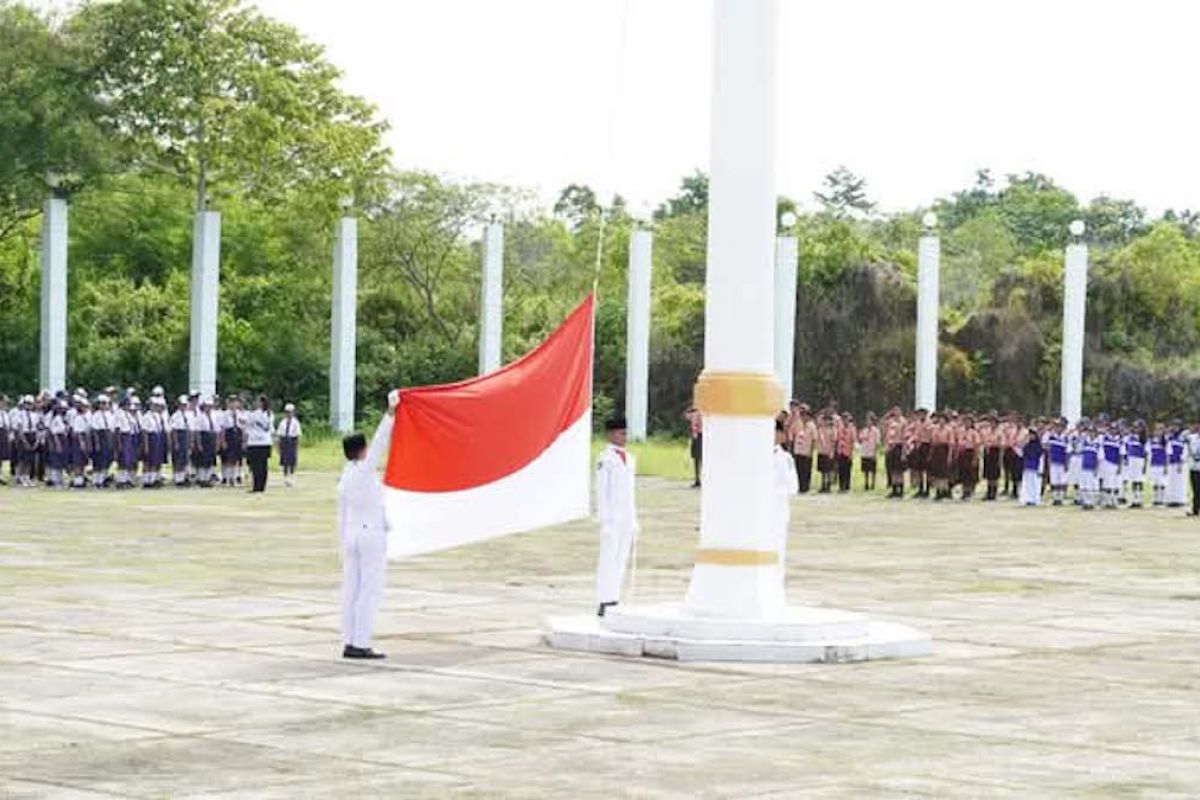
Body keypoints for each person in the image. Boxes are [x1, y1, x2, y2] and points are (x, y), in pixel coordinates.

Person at [337, 390, 399, 660]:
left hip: (351, 536)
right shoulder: (363, 471)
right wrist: (391, 413)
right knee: (369, 590)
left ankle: (350, 640)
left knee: (351, 589)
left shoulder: (345, 476)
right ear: (360, 451)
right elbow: (380, 442)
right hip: (369, 535)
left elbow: (341, 515)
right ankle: (361, 642)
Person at [595, 415, 638, 617]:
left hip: (626, 516)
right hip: (611, 518)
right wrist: (604, 520)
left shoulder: (629, 458)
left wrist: (635, 518)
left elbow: (630, 492)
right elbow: (601, 492)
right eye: (621, 433)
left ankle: (615, 597)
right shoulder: (605, 459)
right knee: (608, 560)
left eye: (626, 433)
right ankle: (605, 599)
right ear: (611, 434)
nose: (625, 437)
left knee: (621, 558)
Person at [773, 418, 799, 577]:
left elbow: (793, 487)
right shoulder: (754, 457)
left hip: (778, 509)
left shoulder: (786, 458)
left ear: (781, 435)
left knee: (778, 548)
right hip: (758, 511)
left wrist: (775, 492)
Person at [245, 395, 274, 493]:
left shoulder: (255, 414)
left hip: (255, 442)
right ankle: (262, 486)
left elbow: (245, 422)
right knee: (263, 465)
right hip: (265, 442)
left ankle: (257, 486)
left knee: (256, 466)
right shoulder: (270, 414)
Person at [90, 394, 116, 489]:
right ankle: (96, 480)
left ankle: (103, 479)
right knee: (98, 461)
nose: (104, 405)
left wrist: (112, 441)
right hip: (100, 437)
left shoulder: (110, 415)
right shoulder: (96, 415)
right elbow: (94, 430)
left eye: (106, 403)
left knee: (107, 459)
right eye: (102, 403)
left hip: (108, 437)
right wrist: (97, 443)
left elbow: (112, 429)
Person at [220, 396, 245, 487]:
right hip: (229, 435)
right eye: (232, 402)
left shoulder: (240, 414)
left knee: (237, 458)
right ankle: (228, 478)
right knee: (229, 458)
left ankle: (234, 477)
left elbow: (243, 427)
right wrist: (223, 441)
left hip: (237, 435)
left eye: (235, 402)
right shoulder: (225, 414)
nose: (234, 404)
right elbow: (222, 429)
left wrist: (243, 441)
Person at [276, 403, 303, 487]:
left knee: (292, 460)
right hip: (284, 441)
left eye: (290, 412)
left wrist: (297, 446)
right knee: (284, 460)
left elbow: (298, 435)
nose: (288, 414)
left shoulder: (296, 423)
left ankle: (292, 476)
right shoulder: (282, 422)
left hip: (292, 441)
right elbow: (279, 435)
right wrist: (278, 446)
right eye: (287, 412)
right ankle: (285, 478)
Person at [169, 395, 192, 487]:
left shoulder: (188, 414)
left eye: (185, 405)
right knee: (179, 458)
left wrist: (190, 441)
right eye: (182, 405)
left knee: (185, 459)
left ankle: (184, 477)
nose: (184, 407)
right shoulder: (175, 415)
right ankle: (178, 479)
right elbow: (174, 430)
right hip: (179, 436)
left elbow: (189, 428)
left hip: (186, 436)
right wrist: (176, 443)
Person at [1020, 428, 1043, 507]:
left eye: (1032, 435)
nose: (1030, 436)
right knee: (1027, 483)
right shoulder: (1027, 444)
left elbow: (1039, 456)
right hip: (1027, 466)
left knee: (1034, 483)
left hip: (1034, 466)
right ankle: (1028, 498)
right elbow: (1022, 452)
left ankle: (1034, 499)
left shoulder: (1038, 445)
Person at [858, 412, 879, 492]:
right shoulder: (864, 430)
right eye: (867, 420)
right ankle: (866, 483)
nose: (868, 422)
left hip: (872, 452)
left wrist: (875, 452)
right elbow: (860, 439)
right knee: (865, 469)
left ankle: (873, 484)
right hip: (865, 452)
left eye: (869, 420)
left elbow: (877, 442)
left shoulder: (876, 431)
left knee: (873, 470)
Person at [684, 406, 703, 488]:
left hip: (699, 437)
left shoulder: (695, 415)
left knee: (698, 458)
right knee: (699, 459)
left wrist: (693, 435)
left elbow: (694, 427)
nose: (687, 418)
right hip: (700, 436)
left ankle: (698, 479)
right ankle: (698, 479)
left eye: (687, 417)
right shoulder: (699, 413)